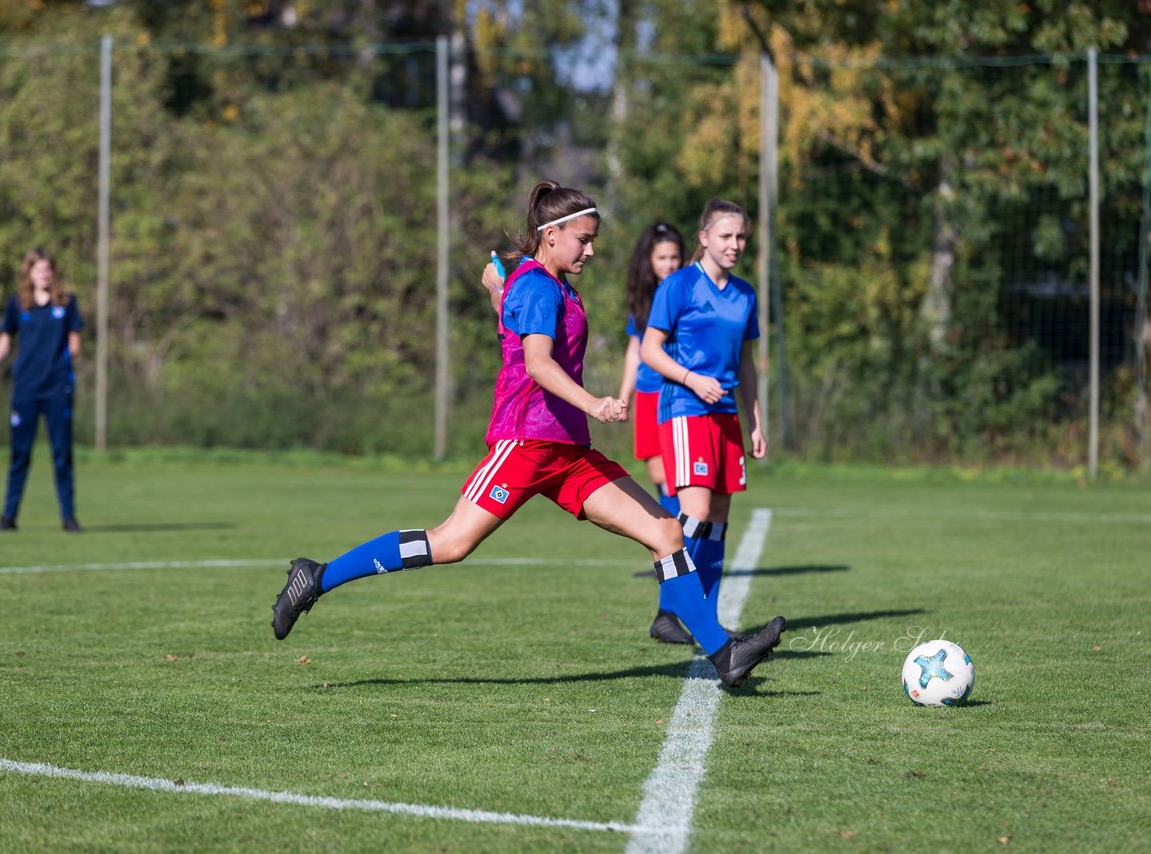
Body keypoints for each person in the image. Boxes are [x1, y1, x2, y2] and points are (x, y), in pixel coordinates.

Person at [272, 181, 785, 688]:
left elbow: (514, 326)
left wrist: (498, 289)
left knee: (666, 531)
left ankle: (725, 655)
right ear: (553, 234)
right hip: (524, 445)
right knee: (451, 543)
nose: (591, 249)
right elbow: (538, 364)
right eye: (583, 238)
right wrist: (594, 402)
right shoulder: (540, 285)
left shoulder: (546, 283)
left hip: (568, 453)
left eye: (593, 239)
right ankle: (316, 577)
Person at [640, 199, 764, 637]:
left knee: (719, 517)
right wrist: (692, 379)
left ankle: (705, 617)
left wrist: (754, 420)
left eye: (741, 236)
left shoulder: (745, 293)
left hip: (726, 414)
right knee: (695, 512)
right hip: (684, 409)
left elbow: (745, 362)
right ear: (704, 237)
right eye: (726, 236)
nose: (735, 244)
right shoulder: (678, 286)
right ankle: (669, 609)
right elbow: (648, 349)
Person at [615, 223, 695, 645]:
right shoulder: (644, 302)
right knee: (670, 494)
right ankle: (672, 605)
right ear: (649, 261)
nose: (669, 264)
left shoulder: (687, 293)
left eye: (674, 258)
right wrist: (624, 397)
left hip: (680, 398)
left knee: (684, 501)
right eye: (662, 258)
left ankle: (676, 604)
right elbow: (635, 350)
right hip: (650, 400)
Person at [0, 247, 84, 533]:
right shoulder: (18, 304)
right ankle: (8, 515)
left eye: (48, 269)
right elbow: (5, 339)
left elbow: (75, 343)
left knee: (62, 455)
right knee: (20, 455)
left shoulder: (67, 303)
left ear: (53, 272)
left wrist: (65, 355)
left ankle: (69, 516)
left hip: (57, 389)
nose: (44, 274)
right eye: (38, 269)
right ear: (29, 273)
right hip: (26, 390)